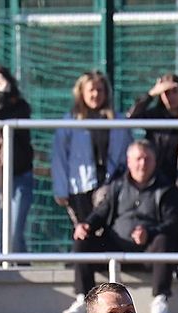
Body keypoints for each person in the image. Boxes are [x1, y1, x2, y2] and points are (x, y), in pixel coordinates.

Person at [61, 140, 178, 313]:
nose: (143, 163)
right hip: (114, 245)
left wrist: (149, 232)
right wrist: (86, 225)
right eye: (138, 159)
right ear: (129, 161)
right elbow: (101, 213)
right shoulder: (117, 186)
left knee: (163, 241)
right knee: (82, 241)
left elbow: (172, 223)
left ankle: (160, 299)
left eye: (147, 159)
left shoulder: (166, 189)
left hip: (148, 251)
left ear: (155, 161)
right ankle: (83, 299)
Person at [127, 73, 178, 254]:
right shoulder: (154, 118)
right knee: (159, 234)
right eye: (166, 93)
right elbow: (131, 117)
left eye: (174, 91)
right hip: (157, 186)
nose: (171, 97)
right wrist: (151, 94)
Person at [51, 70, 132, 225]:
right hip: (80, 186)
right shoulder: (70, 121)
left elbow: (127, 152)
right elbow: (59, 157)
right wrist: (60, 189)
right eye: (91, 90)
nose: (96, 94)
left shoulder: (118, 121)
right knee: (84, 231)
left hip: (110, 184)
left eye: (100, 90)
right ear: (81, 93)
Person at [0, 65, 34, 253]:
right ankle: (14, 268)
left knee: (14, 234)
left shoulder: (19, 106)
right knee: (2, 235)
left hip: (19, 177)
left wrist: (4, 87)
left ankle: (20, 267)